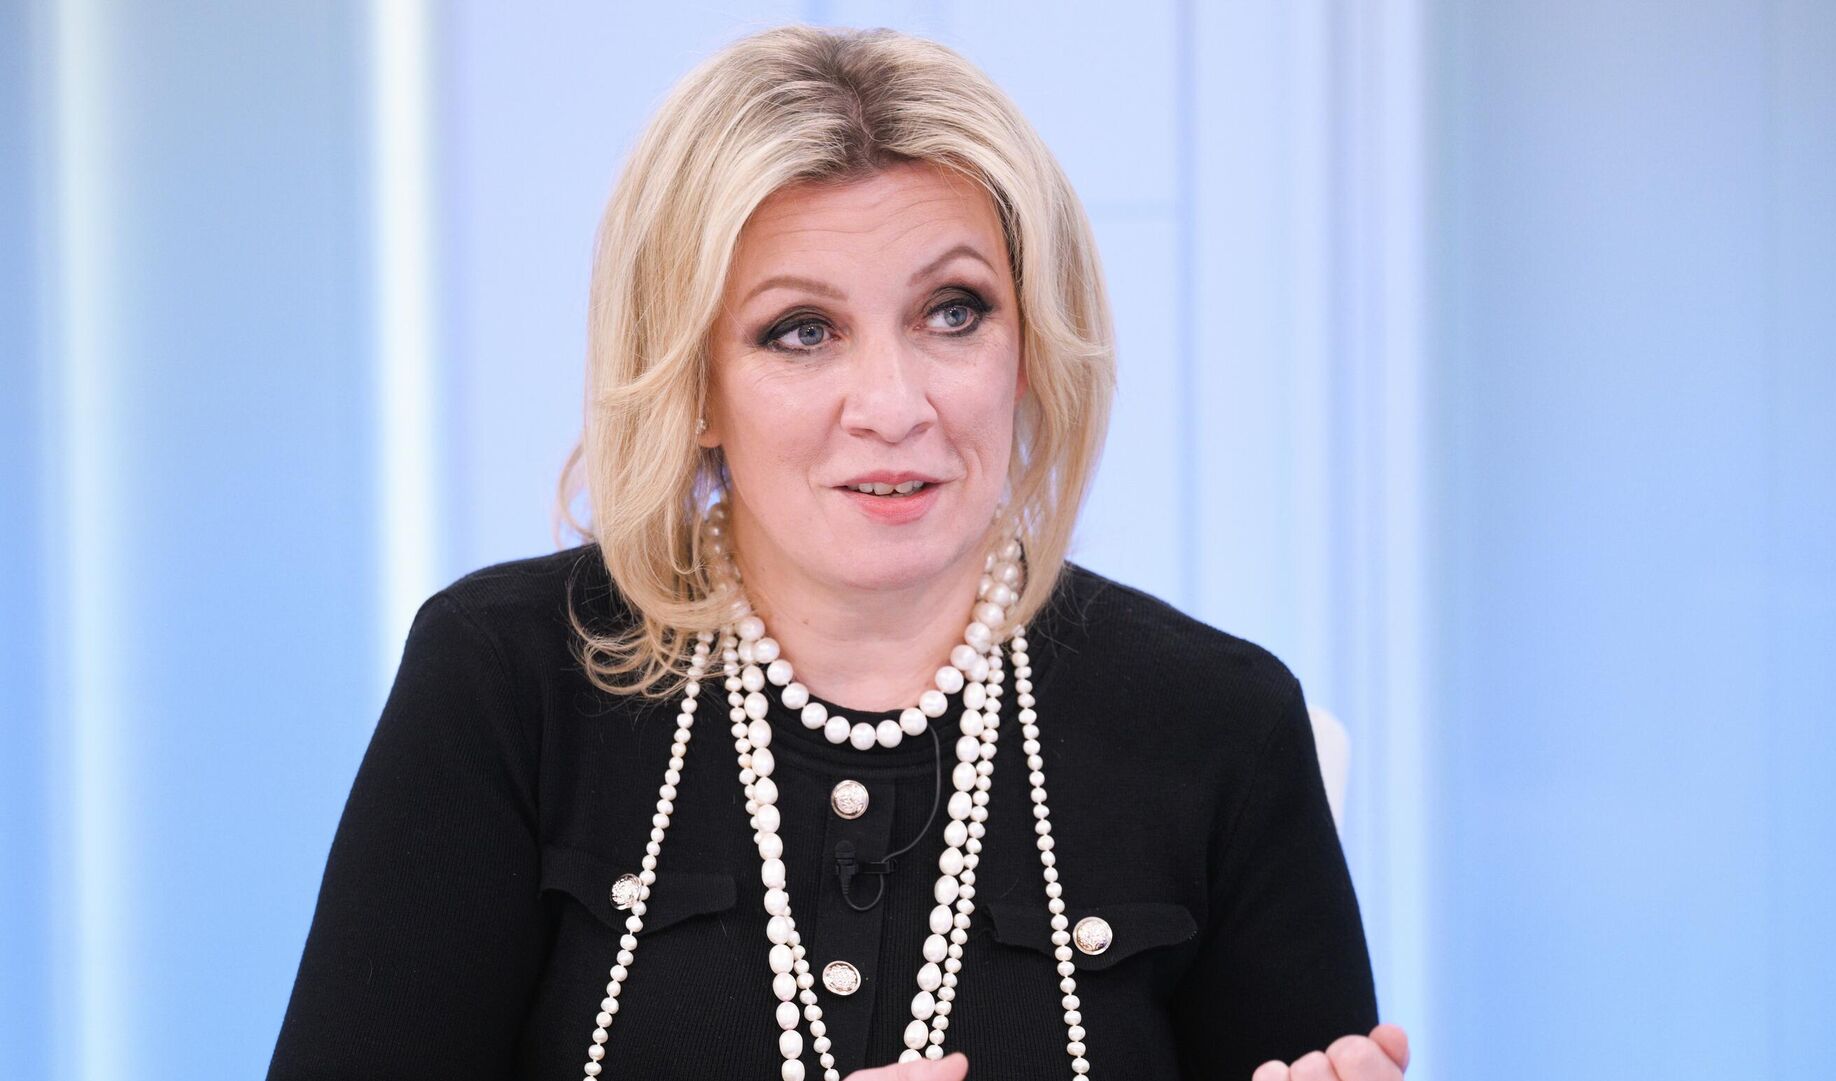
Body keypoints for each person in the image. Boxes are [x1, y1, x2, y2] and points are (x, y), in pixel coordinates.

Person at [267, 24, 1408, 1081]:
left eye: (953, 311)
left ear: (1030, 344)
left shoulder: (1220, 723)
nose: (893, 405)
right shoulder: (507, 680)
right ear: (692, 382)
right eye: (802, 331)